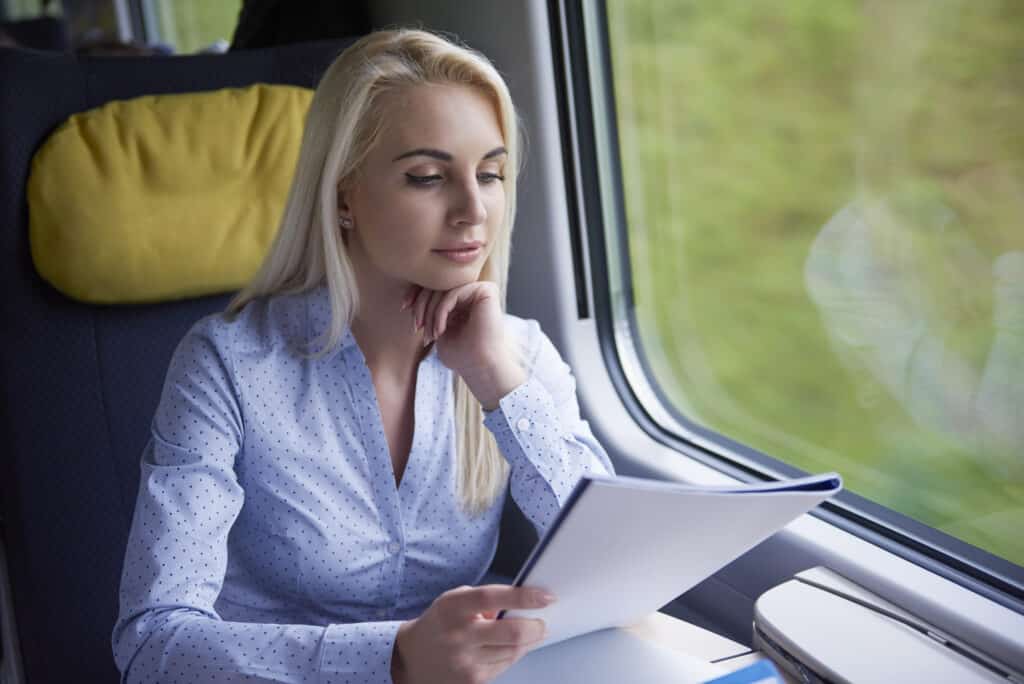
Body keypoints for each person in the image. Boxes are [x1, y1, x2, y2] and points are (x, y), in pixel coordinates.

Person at [111, 28, 613, 684]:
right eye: (428, 178)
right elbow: (153, 644)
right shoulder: (228, 365)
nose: (473, 211)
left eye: (490, 174)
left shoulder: (516, 354)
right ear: (345, 194)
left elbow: (610, 558)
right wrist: (394, 657)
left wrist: (497, 383)